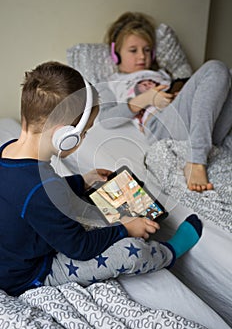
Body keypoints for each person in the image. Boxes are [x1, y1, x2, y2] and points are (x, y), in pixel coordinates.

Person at [0, 61, 203, 297]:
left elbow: (32, 198)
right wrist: (125, 230)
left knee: (93, 197)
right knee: (130, 251)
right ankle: (168, 253)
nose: (84, 138)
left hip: (15, 256)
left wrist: (81, 182)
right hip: (30, 274)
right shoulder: (42, 187)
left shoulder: (7, 151)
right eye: (84, 132)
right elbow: (79, 247)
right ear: (65, 135)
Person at [98, 11, 232, 192]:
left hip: (198, 124)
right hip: (160, 125)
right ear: (115, 54)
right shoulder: (112, 83)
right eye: (133, 50)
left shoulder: (162, 74)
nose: (141, 56)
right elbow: (106, 119)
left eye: (147, 50)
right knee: (215, 68)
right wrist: (148, 98)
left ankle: (211, 144)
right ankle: (196, 160)